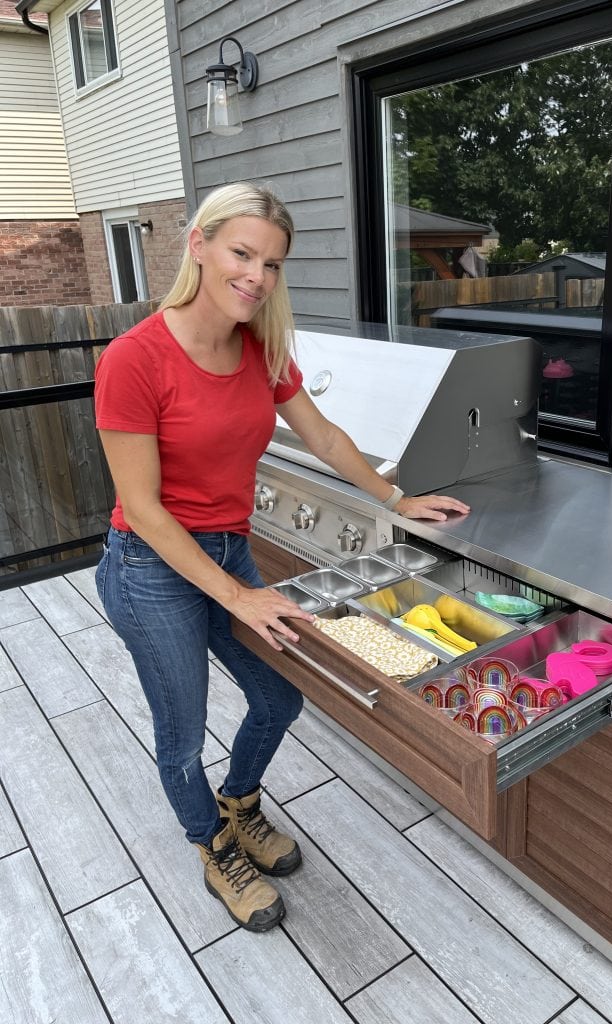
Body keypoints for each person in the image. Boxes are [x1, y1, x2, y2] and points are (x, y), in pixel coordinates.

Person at [94, 181, 470, 933]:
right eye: (242, 253)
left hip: (226, 550)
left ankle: (241, 803)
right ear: (197, 244)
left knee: (279, 697)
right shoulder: (134, 360)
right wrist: (238, 597)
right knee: (182, 732)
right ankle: (213, 846)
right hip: (148, 566)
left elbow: (326, 438)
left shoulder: (262, 349)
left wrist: (395, 502)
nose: (256, 277)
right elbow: (144, 509)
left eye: (271, 264)